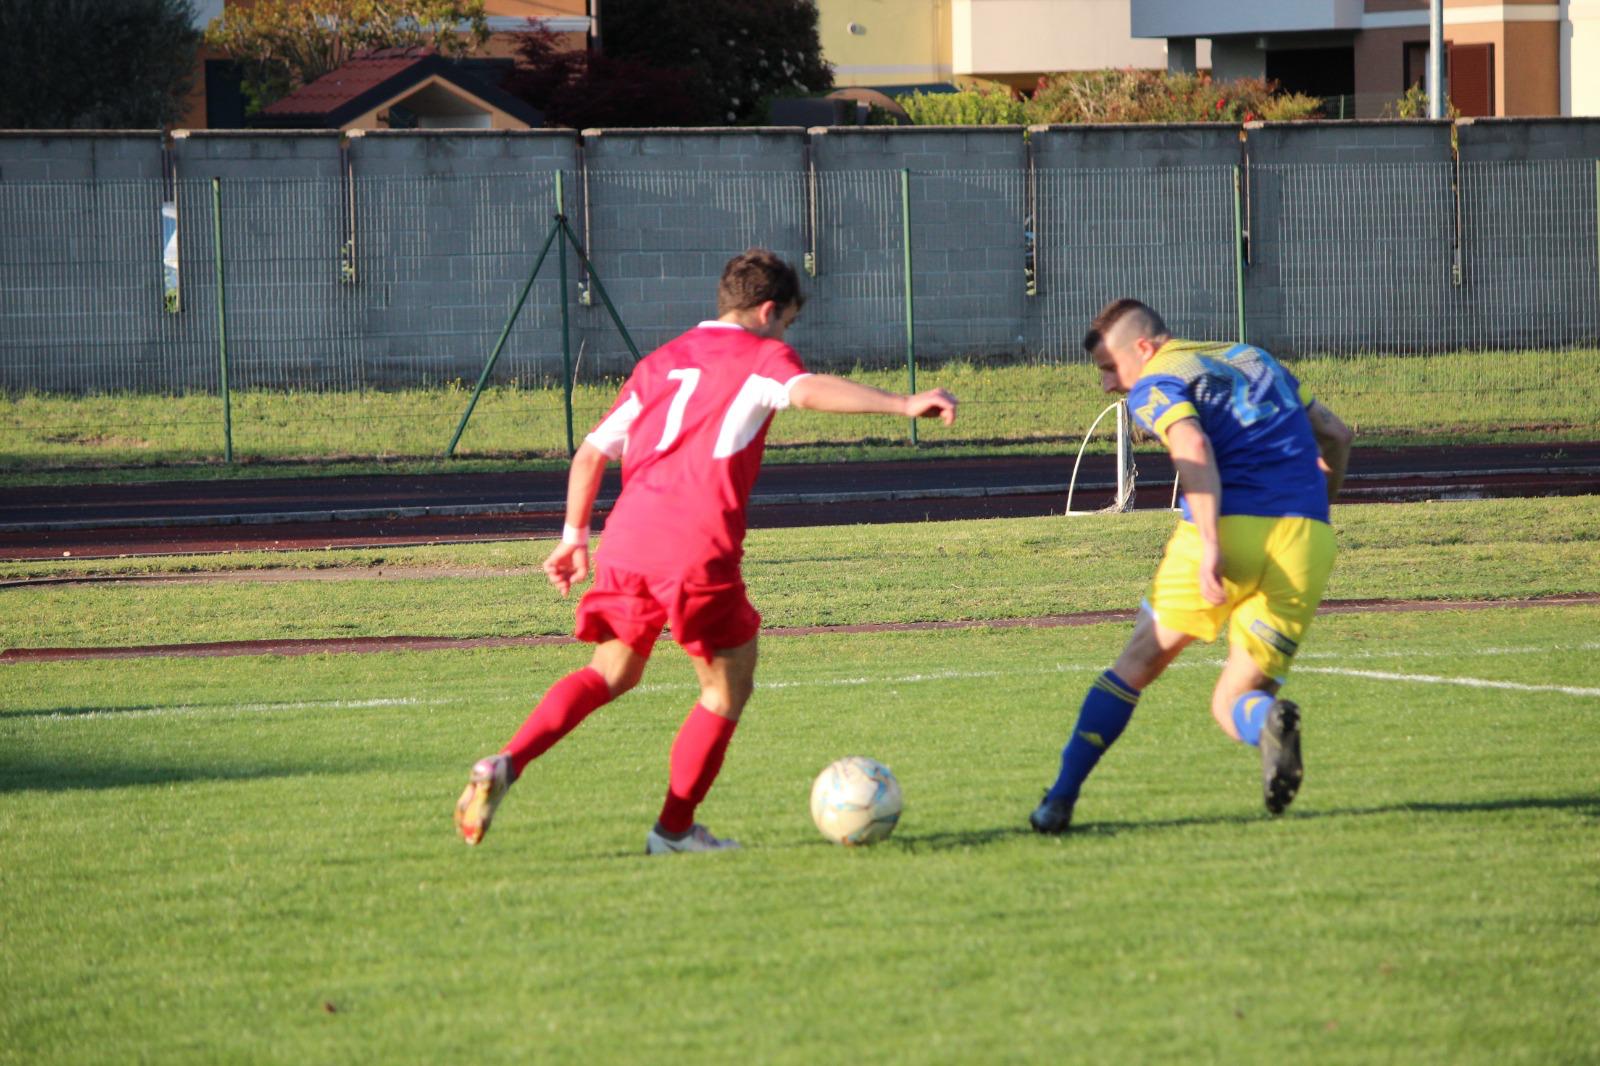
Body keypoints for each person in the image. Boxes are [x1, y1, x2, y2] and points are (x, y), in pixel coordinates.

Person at [456, 249, 958, 854]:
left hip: (629, 538)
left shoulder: (660, 362)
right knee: (724, 689)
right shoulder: (763, 357)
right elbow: (803, 391)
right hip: (695, 544)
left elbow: (590, 454)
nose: (786, 336)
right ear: (770, 311)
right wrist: (902, 404)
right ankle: (673, 831)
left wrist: (573, 540)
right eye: (788, 324)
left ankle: (505, 763)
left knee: (610, 672)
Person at [1030, 298, 1354, 833]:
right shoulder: (1255, 359)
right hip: (1307, 541)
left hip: (1229, 525)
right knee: (1235, 700)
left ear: (1142, 347)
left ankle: (1058, 800)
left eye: (1110, 367)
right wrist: (1322, 505)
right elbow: (1337, 435)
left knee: (1134, 667)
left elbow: (1192, 444)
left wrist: (1209, 545)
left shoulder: (1157, 381)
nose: (1109, 384)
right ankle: (1266, 722)